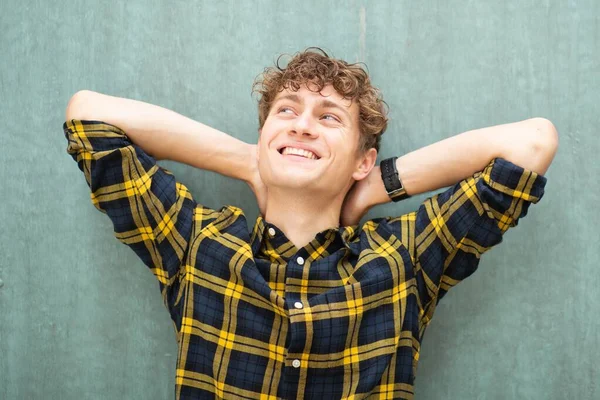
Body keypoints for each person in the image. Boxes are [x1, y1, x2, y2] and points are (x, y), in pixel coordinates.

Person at [63, 48, 558, 399]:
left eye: (329, 118)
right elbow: (89, 117)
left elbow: (532, 144)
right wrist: (249, 161)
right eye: (286, 111)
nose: (301, 124)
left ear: (362, 159)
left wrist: (373, 187)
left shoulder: (402, 259)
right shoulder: (198, 244)